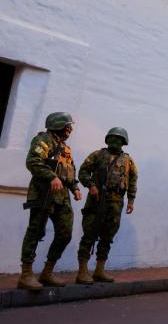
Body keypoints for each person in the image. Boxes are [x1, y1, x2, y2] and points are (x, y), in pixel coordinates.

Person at [18, 112, 82, 291]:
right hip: (43, 194)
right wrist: (51, 176)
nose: (70, 129)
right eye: (68, 126)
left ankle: (47, 272)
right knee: (35, 232)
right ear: (58, 125)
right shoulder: (43, 141)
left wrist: (75, 187)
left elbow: (70, 170)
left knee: (65, 234)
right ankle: (26, 275)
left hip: (62, 197)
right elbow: (33, 161)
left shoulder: (65, 148)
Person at [76, 127, 138, 284]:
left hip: (115, 203)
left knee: (107, 237)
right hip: (96, 200)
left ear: (123, 142)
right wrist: (91, 185)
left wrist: (131, 200)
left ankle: (99, 270)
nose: (114, 141)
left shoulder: (128, 161)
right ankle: (82, 271)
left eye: (118, 139)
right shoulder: (97, 155)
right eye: (112, 138)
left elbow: (132, 181)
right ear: (107, 139)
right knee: (89, 234)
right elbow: (83, 172)